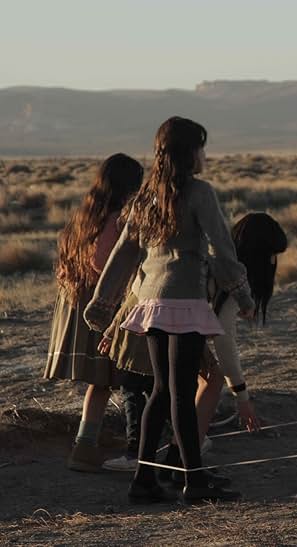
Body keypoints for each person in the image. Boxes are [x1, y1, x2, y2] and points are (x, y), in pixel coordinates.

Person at [85, 116, 254, 504]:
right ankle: (193, 480)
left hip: (150, 303)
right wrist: (242, 296)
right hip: (185, 301)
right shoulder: (199, 193)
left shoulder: (145, 196)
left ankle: (144, 480)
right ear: (188, 153)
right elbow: (222, 249)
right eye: (201, 147)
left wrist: (102, 304)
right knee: (179, 393)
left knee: (162, 391)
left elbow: (125, 253)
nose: (204, 155)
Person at [99, 212, 285, 474]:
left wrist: (114, 326)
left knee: (177, 386)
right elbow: (225, 340)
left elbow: (137, 283)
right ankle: (177, 462)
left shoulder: (212, 256)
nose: (273, 263)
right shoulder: (232, 274)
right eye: (271, 255)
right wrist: (242, 398)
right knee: (197, 382)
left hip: (147, 312)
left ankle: (175, 462)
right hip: (160, 318)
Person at [44, 153, 143, 472]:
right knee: (110, 379)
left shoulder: (85, 217)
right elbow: (104, 266)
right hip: (100, 308)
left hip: (79, 305)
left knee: (101, 382)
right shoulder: (116, 220)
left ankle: (86, 446)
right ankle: (88, 448)